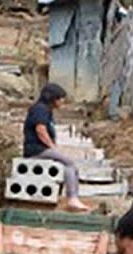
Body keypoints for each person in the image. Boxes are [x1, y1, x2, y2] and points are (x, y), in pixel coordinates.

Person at [23, 83, 89, 212]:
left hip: (41, 149)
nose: (62, 101)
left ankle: (70, 196)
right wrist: (52, 147)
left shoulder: (46, 110)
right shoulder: (40, 109)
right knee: (69, 163)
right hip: (36, 150)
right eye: (61, 98)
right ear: (53, 98)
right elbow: (40, 130)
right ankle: (72, 198)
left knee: (67, 166)